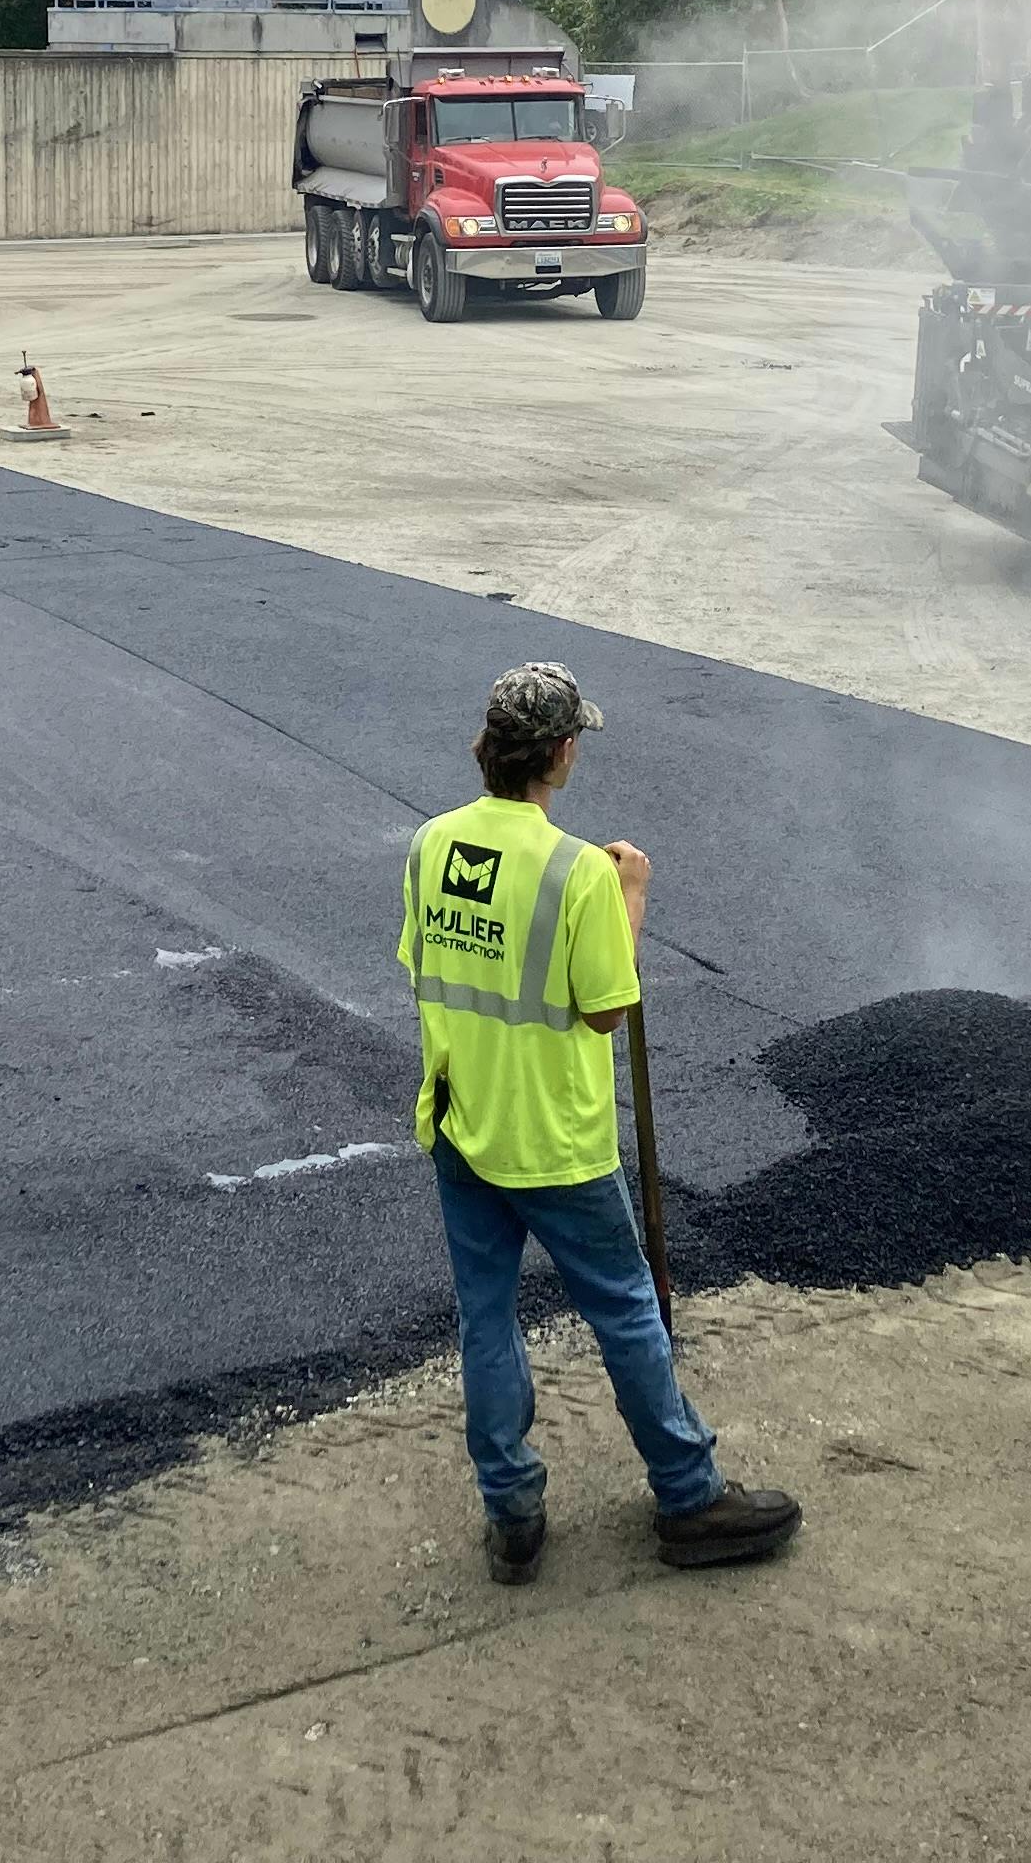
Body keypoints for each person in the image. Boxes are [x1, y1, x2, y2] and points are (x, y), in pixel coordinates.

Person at [402, 663, 803, 1583]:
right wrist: (633, 895)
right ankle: (690, 1495)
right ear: (563, 751)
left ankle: (511, 1516)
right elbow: (605, 1010)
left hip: (464, 1129)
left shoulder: (430, 846)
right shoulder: (579, 873)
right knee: (625, 1308)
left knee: (487, 1319)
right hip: (557, 1143)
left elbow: (428, 965)